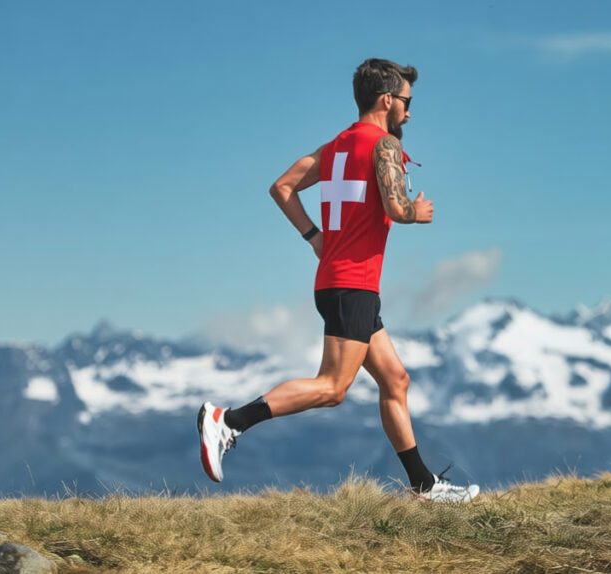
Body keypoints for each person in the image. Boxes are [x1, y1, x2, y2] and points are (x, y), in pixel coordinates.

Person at [198, 58, 479, 503]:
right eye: (406, 101)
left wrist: (314, 237)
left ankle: (423, 486)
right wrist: (416, 212)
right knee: (332, 387)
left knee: (395, 380)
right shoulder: (385, 145)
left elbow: (282, 187)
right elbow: (396, 207)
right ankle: (229, 422)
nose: (409, 111)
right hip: (353, 285)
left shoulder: (334, 148)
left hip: (339, 281)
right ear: (386, 100)